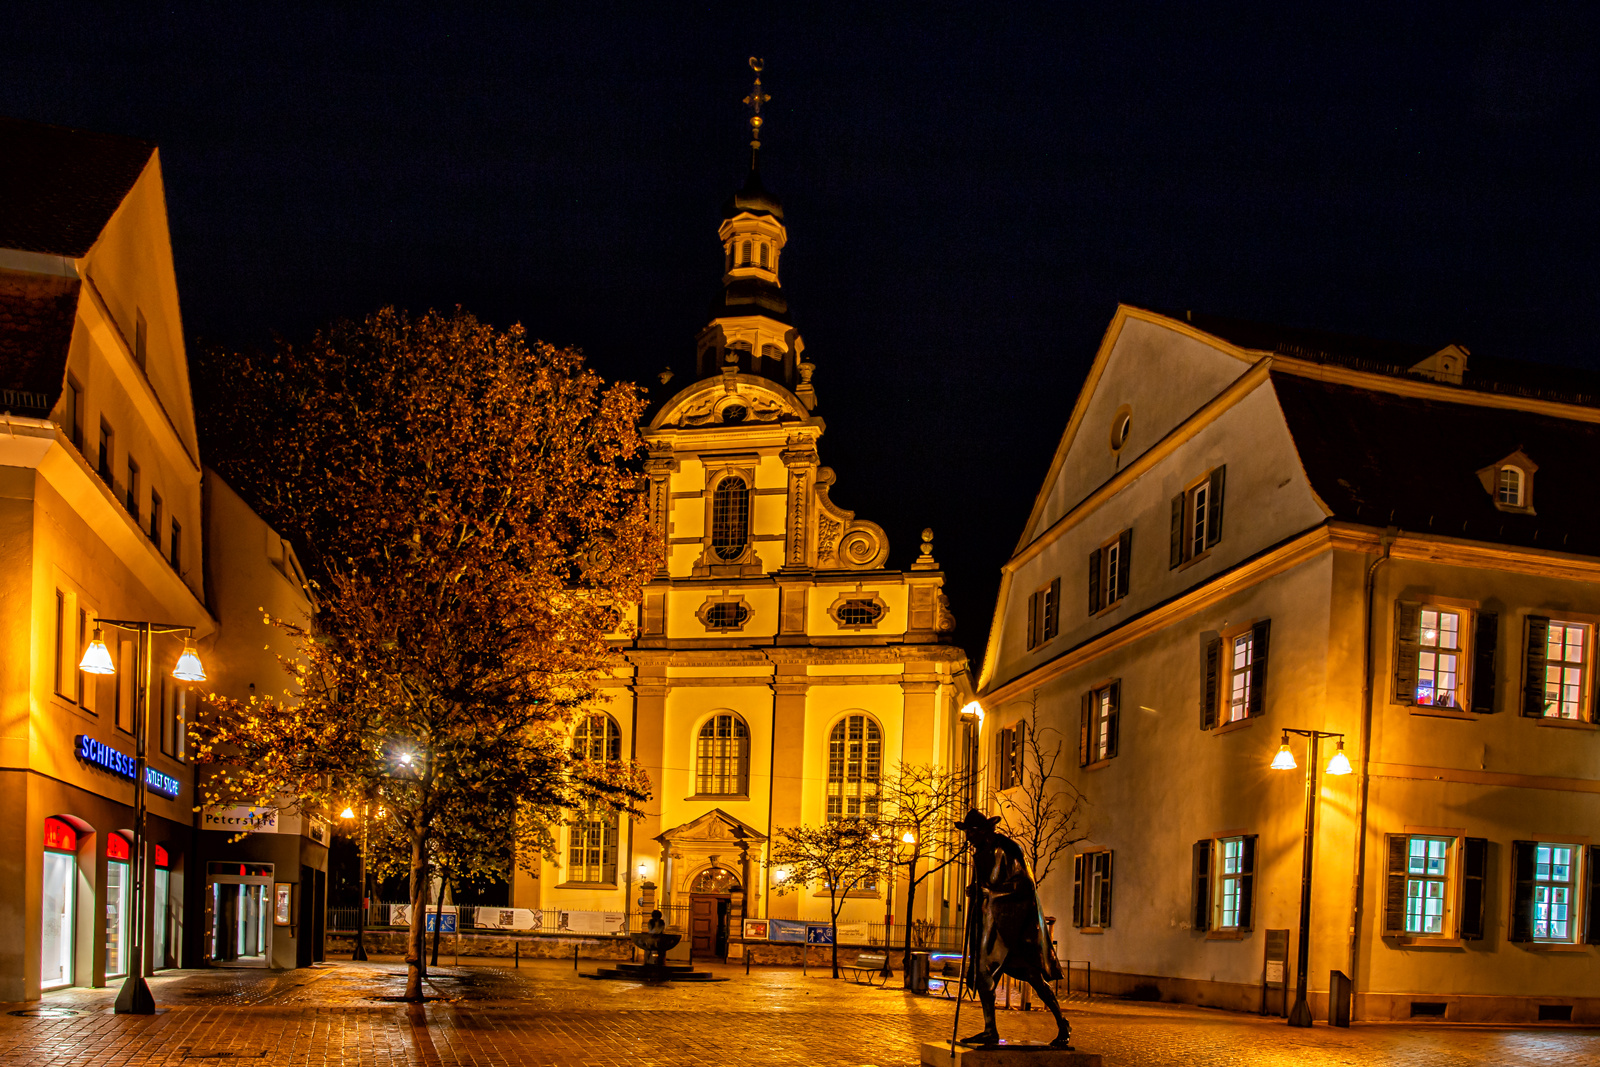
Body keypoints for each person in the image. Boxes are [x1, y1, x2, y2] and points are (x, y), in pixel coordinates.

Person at [955, 809, 1071, 1048]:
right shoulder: (981, 853)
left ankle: (1062, 1024)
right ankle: (990, 1030)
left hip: (1015, 928)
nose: (968, 838)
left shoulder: (1008, 849)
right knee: (983, 975)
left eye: (972, 833)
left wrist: (990, 893)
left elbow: (1025, 885)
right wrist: (975, 890)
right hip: (993, 927)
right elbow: (985, 884)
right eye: (967, 833)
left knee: (1033, 978)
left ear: (985, 830)